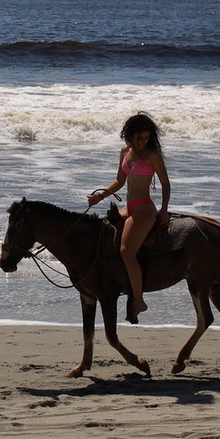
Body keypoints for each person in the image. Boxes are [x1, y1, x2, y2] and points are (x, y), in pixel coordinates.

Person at [87, 112, 171, 323]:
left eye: (146, 138)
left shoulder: (152, 156)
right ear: (130, 135)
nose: (143, 141)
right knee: (102, 233)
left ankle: (139, 300)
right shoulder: (125, 151)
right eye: (139, 137)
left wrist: (164, 209)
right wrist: (99, 197)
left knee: (126, 251)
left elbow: (165, 183)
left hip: (144, 208)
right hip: (129, 207)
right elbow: (119, 181)